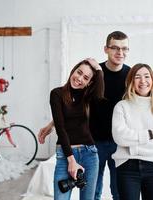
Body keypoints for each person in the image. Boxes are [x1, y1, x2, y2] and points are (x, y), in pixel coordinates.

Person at [39, 31, 130, 200]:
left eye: (124, 49)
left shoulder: (130, 76)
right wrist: (53, 123)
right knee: (94, 191)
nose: (120, 53)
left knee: (119, 190)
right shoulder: (94, 74)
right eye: (115, 48)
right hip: (95, 141)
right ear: (106, 49)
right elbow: (74, 105)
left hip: (120, 142)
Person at [111, 64, 153, 200]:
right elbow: (120, 137)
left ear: (152, 80)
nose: (143, 81)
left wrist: (132, 147)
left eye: (147, 76)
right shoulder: (122, 106)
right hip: (126, 167)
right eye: (137, 77)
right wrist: (150, 135)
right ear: (131, 82)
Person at [50, 59, 104, 200]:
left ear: (89, 82)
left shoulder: (88, 97)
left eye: (85, 78)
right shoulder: (57, 94)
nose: (79, 79)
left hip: (89, 154)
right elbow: (60, 128)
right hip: (65, 155)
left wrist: (99, 69)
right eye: (78, 72)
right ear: (73, 70)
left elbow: (100, 88)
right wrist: (71, 160)